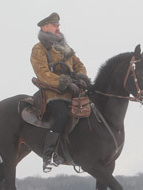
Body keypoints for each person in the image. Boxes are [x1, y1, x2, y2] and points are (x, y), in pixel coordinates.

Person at [30, 12, 89, 172]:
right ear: (45, 27)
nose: (58, 28)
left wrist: (81, 77)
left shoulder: (65, 48)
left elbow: (79, 65)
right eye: (54, 25)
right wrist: (65, 82)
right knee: (62, 114)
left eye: (58, 25)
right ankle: (48, 155)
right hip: (53, 94)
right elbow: (43, 73)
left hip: (73, 92)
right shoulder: (39, 49)